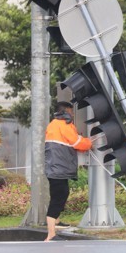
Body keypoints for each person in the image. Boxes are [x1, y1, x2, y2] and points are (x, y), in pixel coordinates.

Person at [44, 101, 92, 241]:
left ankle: (56, 221)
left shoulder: (53, 124)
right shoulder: (64, 125)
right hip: (59, 169)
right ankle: (51, 235)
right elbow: (77, 142)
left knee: (59, 194)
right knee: (59, 197)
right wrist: (89, 143)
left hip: (54, 168)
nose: (72, 114)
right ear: (65, 112)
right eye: (71, 112)